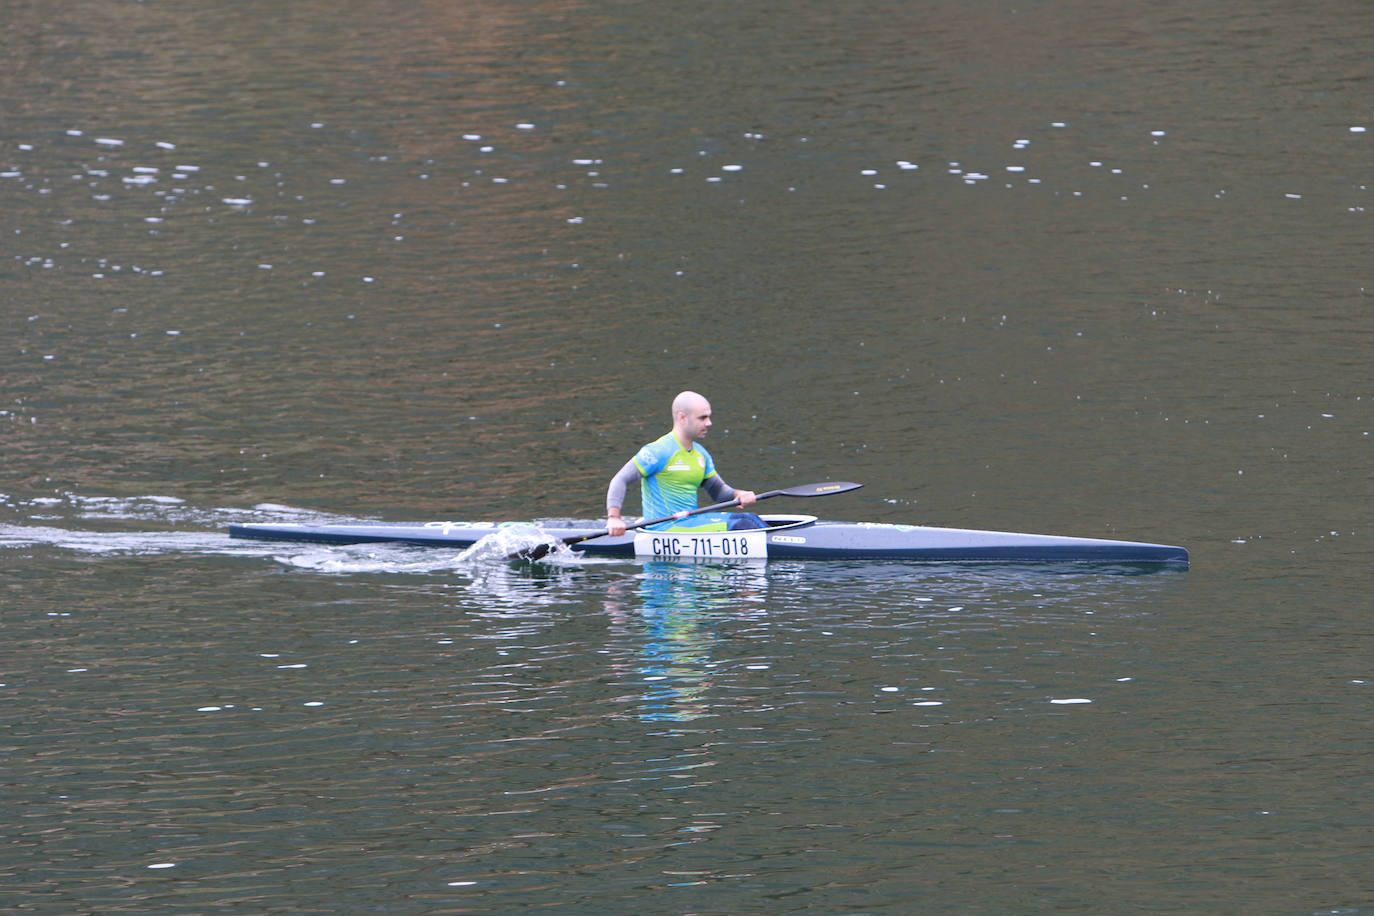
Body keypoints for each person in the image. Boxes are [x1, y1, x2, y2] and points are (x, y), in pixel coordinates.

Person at [606, 391, 760, 536]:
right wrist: (614, 517)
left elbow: (718, 492)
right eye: (702, 418)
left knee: (752, 519)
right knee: (743, 526)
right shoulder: (658, 451)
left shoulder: (701, 454)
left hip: (690, 522)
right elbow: (620, 480)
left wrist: (738, 494)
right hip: (665, 528)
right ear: (682, 417)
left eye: (709, 417)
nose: (709, 423)